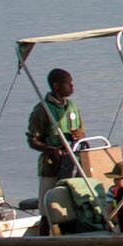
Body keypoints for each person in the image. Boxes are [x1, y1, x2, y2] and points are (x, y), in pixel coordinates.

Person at [27, 68, 85, 211]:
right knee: (48, 208)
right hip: (51, 166)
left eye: (72, 83)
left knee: (70, 206)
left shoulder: (72, 107)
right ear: (56, 86)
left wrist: (79, 135)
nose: (72, 86)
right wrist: (50, 150)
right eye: (68, 83)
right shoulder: (42, 110)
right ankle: (46, 232)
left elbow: (82, 131)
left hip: (72, 162)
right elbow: (32, 141)